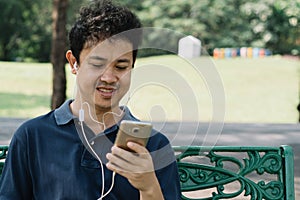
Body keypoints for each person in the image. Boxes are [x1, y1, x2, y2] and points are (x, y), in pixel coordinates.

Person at [0, 0, 181, 199]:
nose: (109, 78)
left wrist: (148, 187)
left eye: (121, 67)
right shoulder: (32, 137)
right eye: (97, 64)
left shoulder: (154, 145)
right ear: (73, 62)